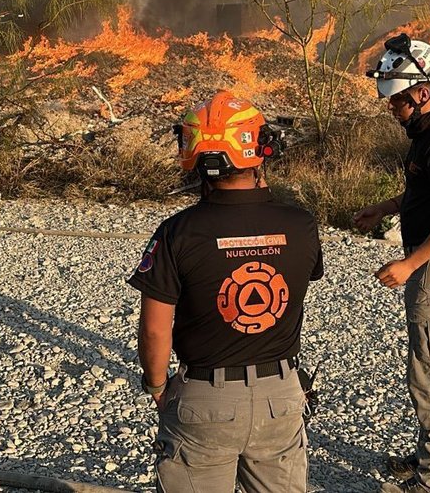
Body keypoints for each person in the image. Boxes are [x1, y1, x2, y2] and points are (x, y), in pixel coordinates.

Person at [128, 89, 324, 493]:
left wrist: (157, 386)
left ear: (196, 156)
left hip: (203, 401)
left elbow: (154, 330)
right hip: (282, 397)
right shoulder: (302, 226)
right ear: (260, 148)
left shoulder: (176, 233)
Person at [353, 33, 430, 493]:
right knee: (427, 366)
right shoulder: (425, 137)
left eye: (399, 101)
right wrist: (385, 209)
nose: (393, 108)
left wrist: (409, 265)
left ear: (423, 93)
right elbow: (424, 195)